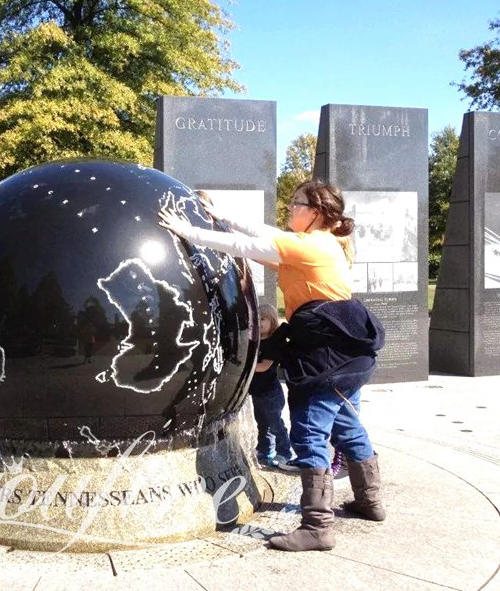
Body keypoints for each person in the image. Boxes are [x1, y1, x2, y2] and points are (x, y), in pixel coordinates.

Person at [158, 180, 386, 552]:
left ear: (315, 212)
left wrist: (186, 231)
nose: (290, 209)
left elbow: (244, 245)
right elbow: (266, 234)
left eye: (297, 204)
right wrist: (220, 216)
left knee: (310, 434)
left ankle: (317, 527)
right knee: (348, 426)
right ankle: (370, 501)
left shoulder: (310, 245)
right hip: (348, 355)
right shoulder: (323, 242)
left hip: (323, 358)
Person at [250, 304, 293, 468]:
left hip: (270, 393)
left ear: (272, 321)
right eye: (256, 319)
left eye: (263, 319)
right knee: (262, 424)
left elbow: (264, 366)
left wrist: (247, 366)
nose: (259, 322)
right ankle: (265, 451)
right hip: (258, 393)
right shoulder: (255, 342)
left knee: (275, 424)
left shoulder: (272, 344)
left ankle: (285, 452)